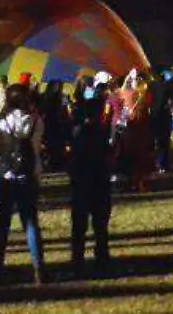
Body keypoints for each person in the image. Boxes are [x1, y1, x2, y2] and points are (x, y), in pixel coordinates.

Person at [0, 82, 46, 283]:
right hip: (27, 177)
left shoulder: (1, 121)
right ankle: (39, 267)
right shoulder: (36, 121)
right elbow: (36, 148)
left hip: (3, 176)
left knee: (1, 224)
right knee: (30, 224)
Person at [67, 79, 116, 275]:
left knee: (80, 225)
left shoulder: (79, 134)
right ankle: (101, 256)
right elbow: (109, 156)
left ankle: (78, 258)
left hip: (82, 183)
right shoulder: (101, 134)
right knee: (100, 224)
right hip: (99, 182)